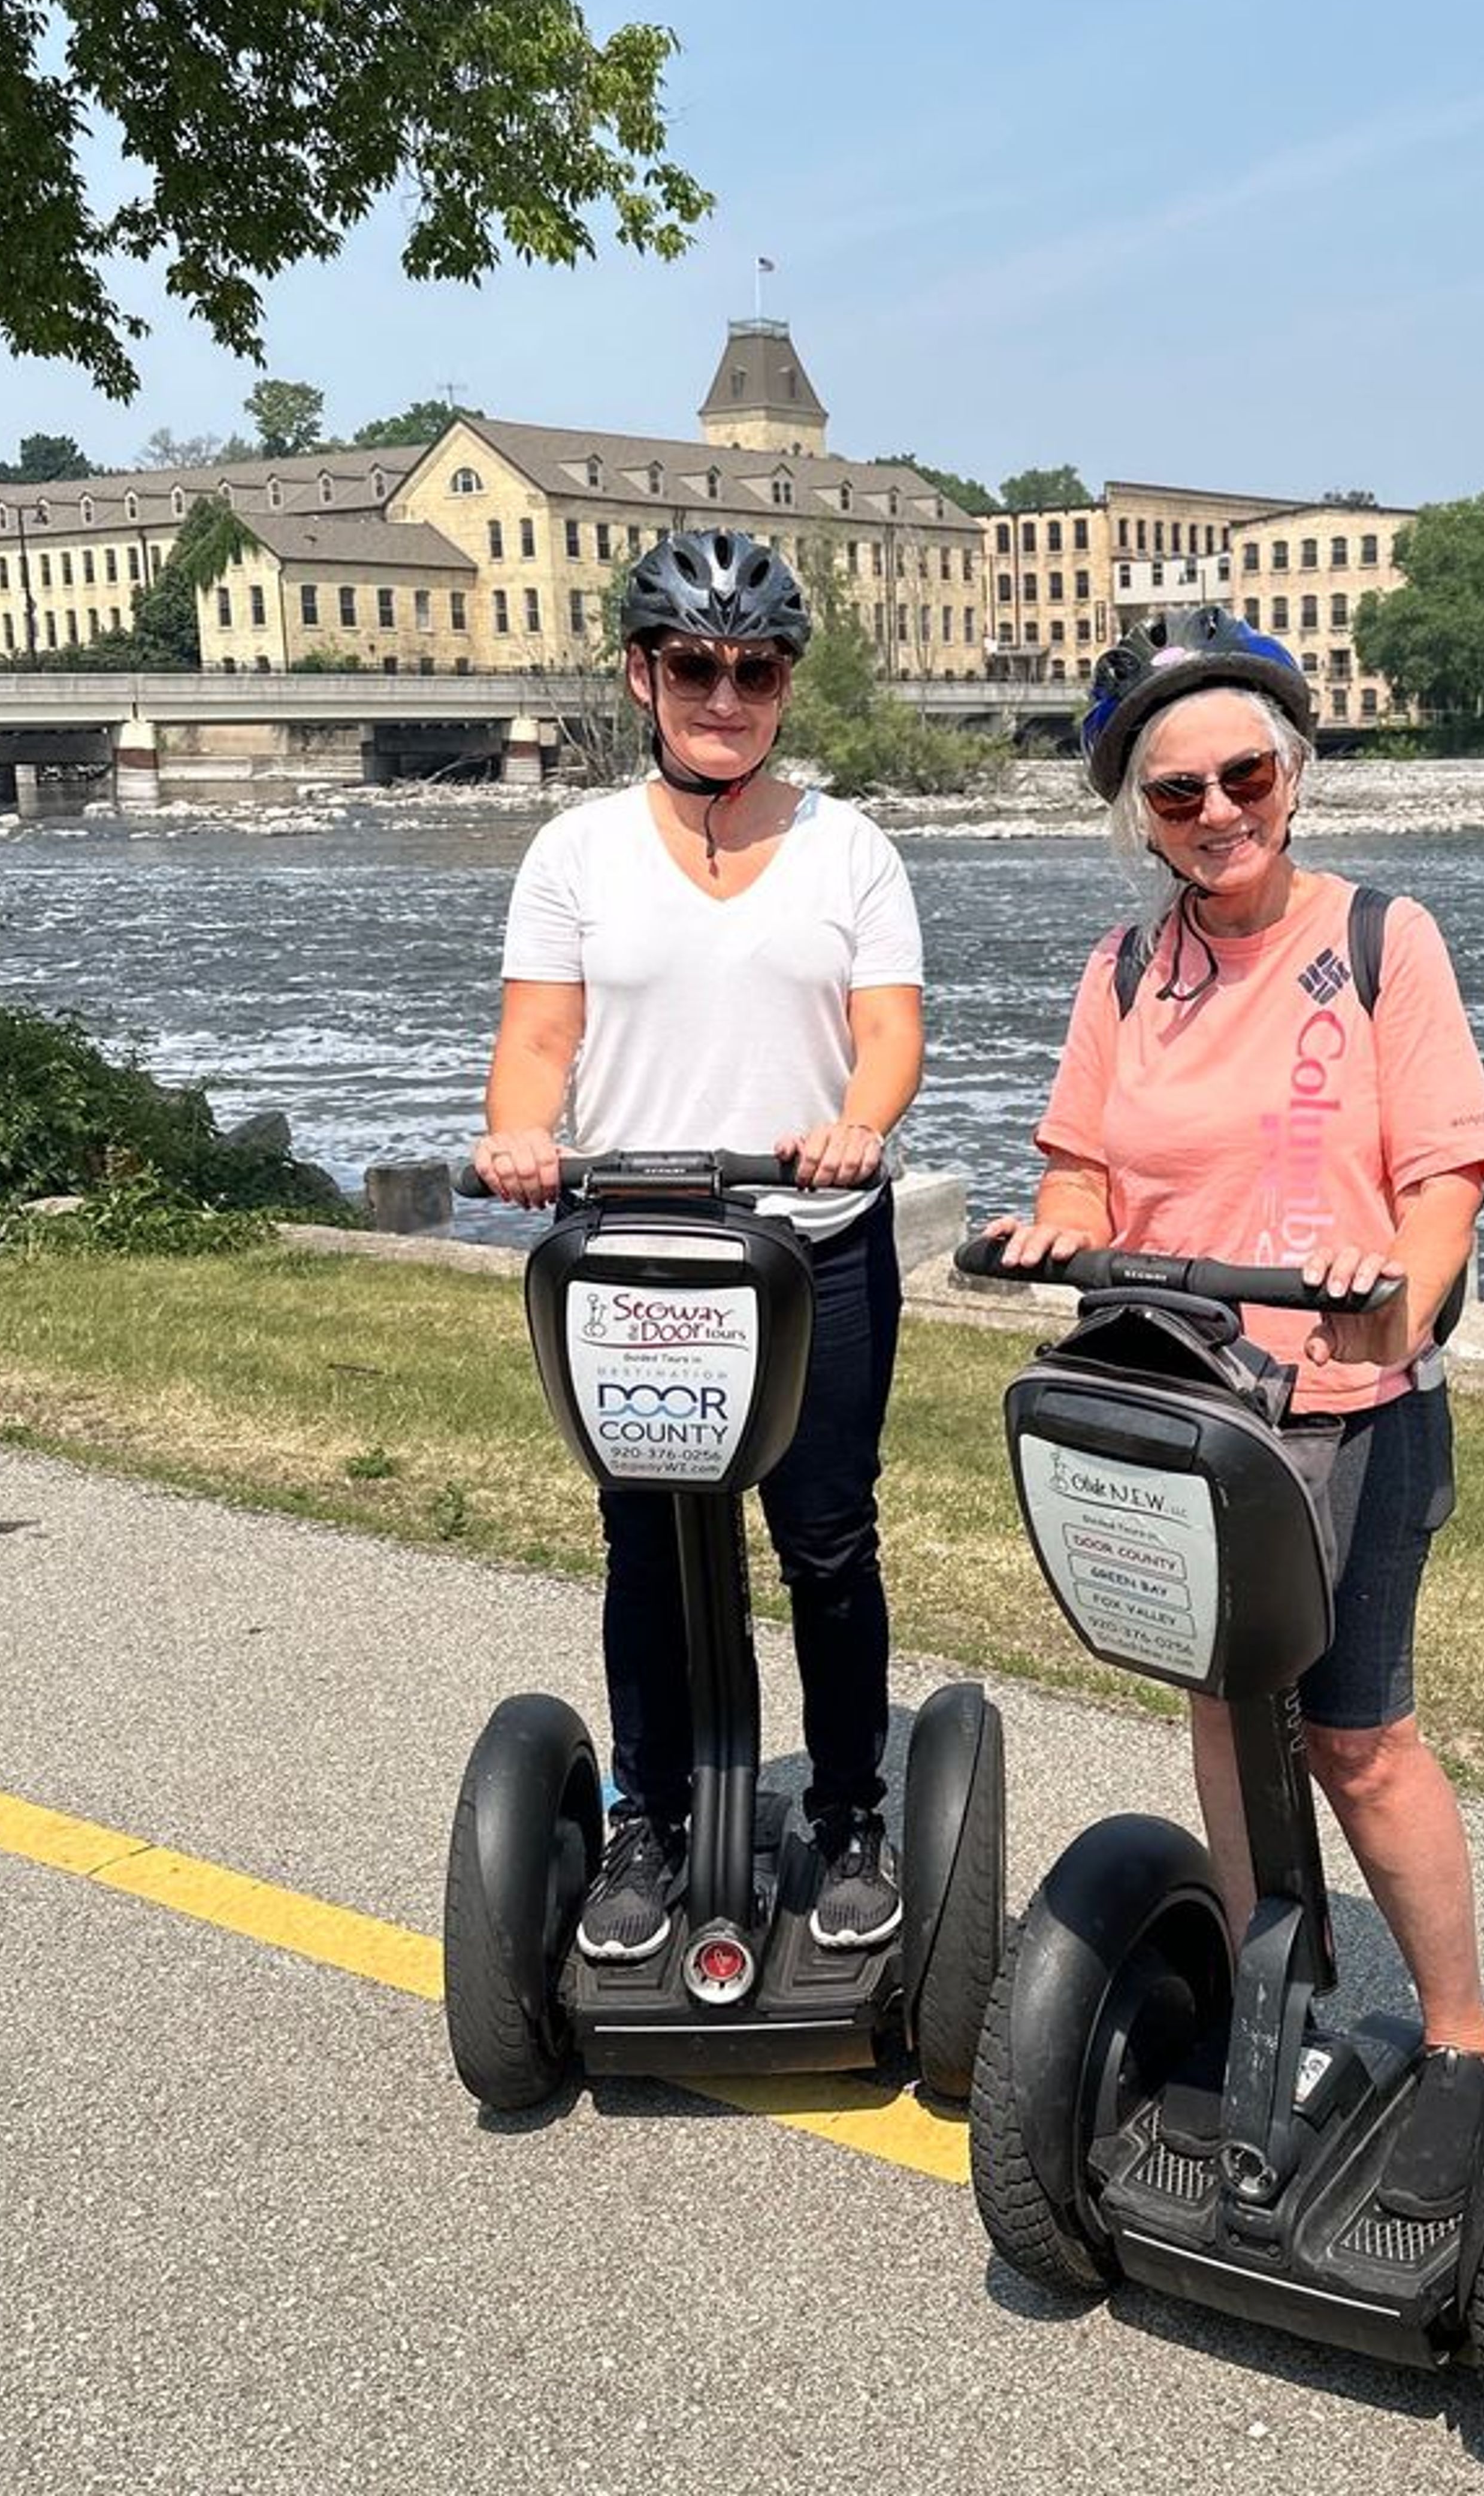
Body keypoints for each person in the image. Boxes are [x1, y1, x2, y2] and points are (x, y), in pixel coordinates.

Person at [986, 608, 1484, 2219]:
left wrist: (1393, 1295)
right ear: (1139, 816)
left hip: (1351, 1406)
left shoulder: (1380, 937)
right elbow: (1081, 1156)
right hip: (1185, 1402)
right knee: (1222, 1707)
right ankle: (1278, 1992)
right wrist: (1053, 1218)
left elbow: (1446, 1178)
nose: (1215, 811)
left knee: (1356, 1736)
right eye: (1175, 793)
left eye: (1241, 774)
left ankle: (1459, 2035)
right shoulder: (1124, 969)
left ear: (1291, 771)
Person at [472, 528, 924, 1963]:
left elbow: (889, 1036)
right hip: (636, 1255)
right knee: (648, 1547)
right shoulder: (574, 851)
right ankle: (649, 1820)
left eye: (755, 668)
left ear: (785, 682)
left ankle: (852, 1807)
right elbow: (539, 1038)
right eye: (695, 665)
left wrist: (857, 1124)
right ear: (642, 673)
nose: (724, 694)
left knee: (826, 1540)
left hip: (812, 1251)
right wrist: (522, 1135)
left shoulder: (850, 849)